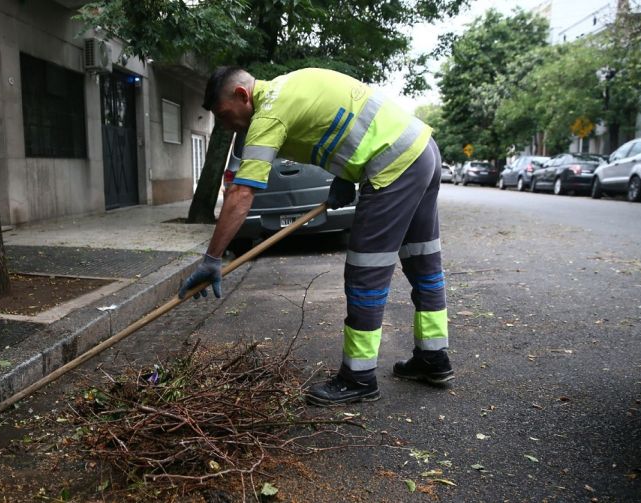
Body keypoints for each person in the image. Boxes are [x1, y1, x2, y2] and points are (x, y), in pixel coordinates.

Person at [178, 66, 454, 405]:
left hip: (393, 164)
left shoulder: (269, 114)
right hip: (422, 150)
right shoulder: (291, 85)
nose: (226, 125)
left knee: (365, 272)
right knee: (422, 261)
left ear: (241, 95)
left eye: (223, 115)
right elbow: (345, 121)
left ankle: (358, 378)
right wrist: (346, 173)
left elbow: (240, 194)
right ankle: (433, 358)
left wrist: (212, 258)